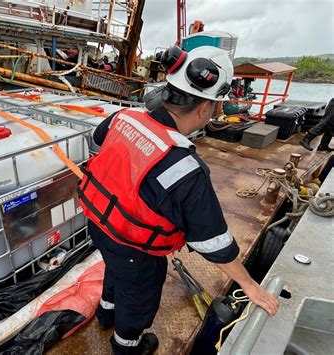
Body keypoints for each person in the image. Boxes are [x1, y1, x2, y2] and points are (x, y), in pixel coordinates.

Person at [77, 45, 279, 355]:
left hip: (99, 225)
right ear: (204, 109)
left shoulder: (125, 117)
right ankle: (126, 346)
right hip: (134, 246)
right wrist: (250, 286)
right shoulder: (185, 169)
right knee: (139, 295)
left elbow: (100, 139)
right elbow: (215, 244)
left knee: (115, 270)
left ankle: (105, 313)